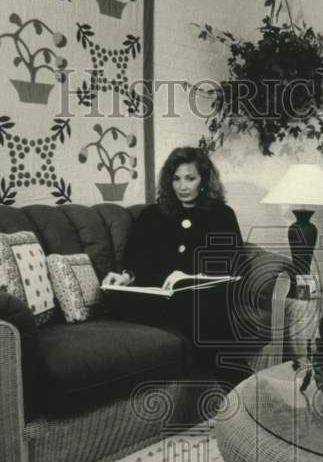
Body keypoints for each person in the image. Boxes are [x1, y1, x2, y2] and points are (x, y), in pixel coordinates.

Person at [104, 147, 247, 386]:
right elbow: (136, 260)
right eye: (176, 179)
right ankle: (241, 385)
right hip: (158, 299)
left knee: (203, 308)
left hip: (203, 295)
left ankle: (237, 384)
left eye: (190, 178)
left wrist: (191, 275)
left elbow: (232, 261)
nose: (182, 186)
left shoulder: (221, 215)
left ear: (204, 181)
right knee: (117, 301)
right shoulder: (152, 215)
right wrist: (126, 277)